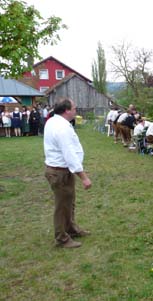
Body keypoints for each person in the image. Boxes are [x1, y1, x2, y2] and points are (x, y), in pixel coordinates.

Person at [44, 98, 92, 248]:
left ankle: (70, 228)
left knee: (69, 203)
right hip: (60, 172)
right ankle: (61, 238)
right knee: (62, 206)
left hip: (61, 171)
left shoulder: (54, 121)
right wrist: (84, 177)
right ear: (66, 110)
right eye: (74, 108)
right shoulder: (61, 128)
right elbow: (69, 154)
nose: (75, 110)